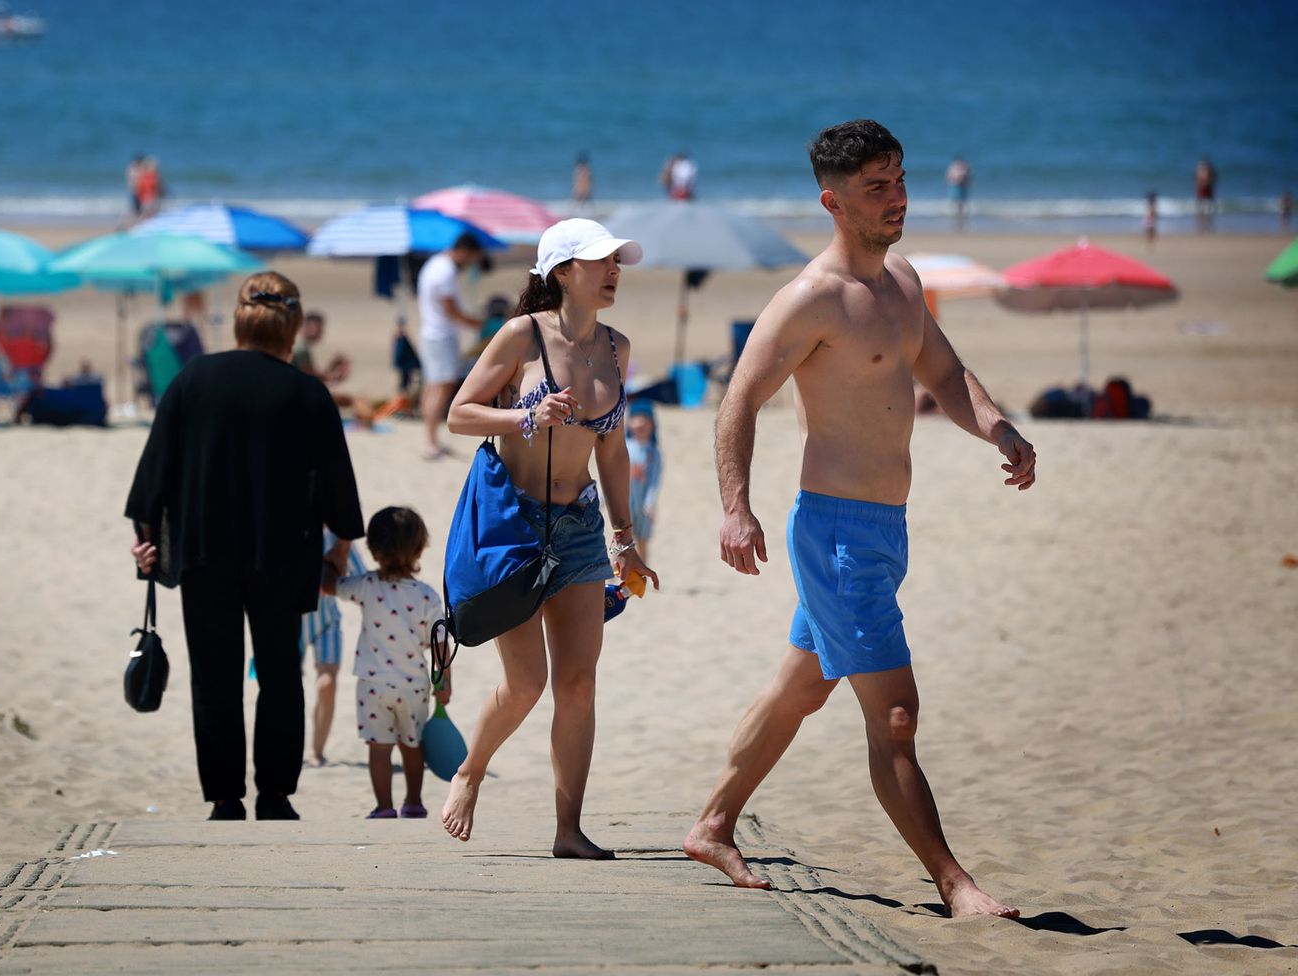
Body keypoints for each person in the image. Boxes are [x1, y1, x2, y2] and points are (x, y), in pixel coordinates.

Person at [684, 120, 1033, 918]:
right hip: (835, 533)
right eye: (878, 187)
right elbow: (738, 399)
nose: (898, 197)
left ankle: (712, 826)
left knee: (801, 689)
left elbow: (945, 372)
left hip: (885, 530)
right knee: (897, 716)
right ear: (833, 202)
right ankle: (956, 885)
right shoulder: (812, 299)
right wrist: (735, 508)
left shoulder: (903, 282)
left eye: (901, 180)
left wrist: (999, 429)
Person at [441, 218, 660, 858]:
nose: (614, 271)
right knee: (528, 684)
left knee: (580, 683)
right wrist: (525, 414)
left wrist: (626, 537)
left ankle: (568, 830)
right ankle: (470, 770)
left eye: (618, 261)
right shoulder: (521, 336)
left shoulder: (617, 347)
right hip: (516, 526)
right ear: (562, 271)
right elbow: (459, 413)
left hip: (582, 527)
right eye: (601, 262)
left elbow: (613, 451)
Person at [125, 271, 365, 822]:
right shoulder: (308, 392)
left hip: (203, 549)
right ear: (293, 326)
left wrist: (146, 544)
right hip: (283, 554)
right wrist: (339, 553)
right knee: (280, 672)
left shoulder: (192, 381)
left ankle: (225, 796)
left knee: (215, 674)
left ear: (239, 318)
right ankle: (275, 794)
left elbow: (151, 481)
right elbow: (338, 490)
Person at [324, 506, 451, 818]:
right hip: (414, 686)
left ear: (373, 549)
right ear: (420, 548)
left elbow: (328, 586)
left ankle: (383, 806)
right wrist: (443, 681)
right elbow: (439, 645)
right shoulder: (427, 596)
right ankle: (413, 803)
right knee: (413, 745)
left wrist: (333, 557)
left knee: (379, 748)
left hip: (373, 685)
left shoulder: (365, 585)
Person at [416, 231, 487, 459]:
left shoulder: (435, 264)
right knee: (441, 386)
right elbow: (450, 309)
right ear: (464, 251)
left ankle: (430, 438)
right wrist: (474, 323)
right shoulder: (445, 269)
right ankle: (429, 440)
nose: (470, 264)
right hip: (440, 334)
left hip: (433, 332)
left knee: (433, 385)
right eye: (471, 258)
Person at [301, 530, 365, 765]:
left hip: (327, 621)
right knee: (285, 689)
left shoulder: (337, 537)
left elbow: (363, 581)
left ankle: (316, 751)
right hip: (288, 623)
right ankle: (289, 749)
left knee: (327, 684)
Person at [624, 402, 662, 564]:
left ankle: (642, 575)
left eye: (645, 420)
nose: (640, 423)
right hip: (625, 504)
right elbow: (615, 477)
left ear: (653, 425)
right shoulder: (625, 448)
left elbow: (655, 480)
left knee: (643, 541)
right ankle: (615, 575)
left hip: (644, 507)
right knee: (622, 542)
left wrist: (650, 503)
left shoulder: (654, 453)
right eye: (636, 419)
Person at [945, 156, 971, 228]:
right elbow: (948, 176)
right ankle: (955, 217)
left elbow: (969, 177)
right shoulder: (953, 166)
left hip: (962, 186)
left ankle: (960, 217)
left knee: (962, 203)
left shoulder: (965, 167)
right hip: (954, 186)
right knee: (954, 202)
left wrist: (965, 181)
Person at [1194, 157, 1217, 230]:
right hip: (1202, 191)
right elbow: (1197, 180)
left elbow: (1212, 179)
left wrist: (1206, 182)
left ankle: (1206, 224)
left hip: (1206, 190)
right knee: (1201, 207)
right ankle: (1202, 225)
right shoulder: (1201, 170)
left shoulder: (1207, 170)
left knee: (1208, 207)